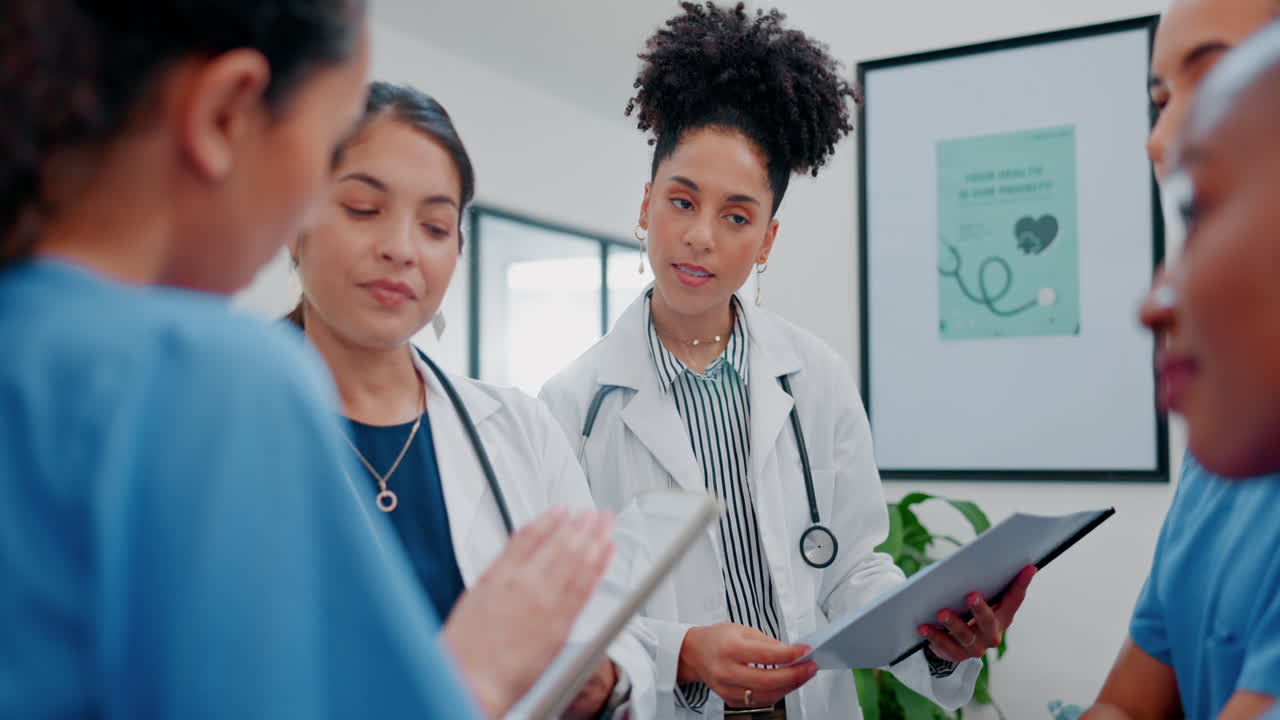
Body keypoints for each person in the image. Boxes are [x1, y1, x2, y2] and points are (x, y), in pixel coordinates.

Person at [0, 2, 612, 718]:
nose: (402, 248)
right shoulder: (210, 375)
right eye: (325, 146)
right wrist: (472, 674)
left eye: (438, 226)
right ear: (226, 115)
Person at [540, 3, 1035, 718]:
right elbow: (572, 616)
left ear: (767, 240)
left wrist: (940, 641)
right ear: (647, 205)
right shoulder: (571, 406)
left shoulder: (817, 376)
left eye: (736, 216)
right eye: (682, 201)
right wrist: (684, 648)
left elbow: (857, 569)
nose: (701, 236)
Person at [284, 80, 655, 719]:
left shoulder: (518, 428)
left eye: (434, 225)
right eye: (364, 209)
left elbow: (615, 618)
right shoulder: (211, 426)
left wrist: (605, 677)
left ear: (457, 251)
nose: (401, 248)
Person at [1083, 4, 1280, 719]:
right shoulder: (1224, 444)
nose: (1160, 138)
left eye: (1207, 216)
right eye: (1159, 101)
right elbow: (1129, 706)